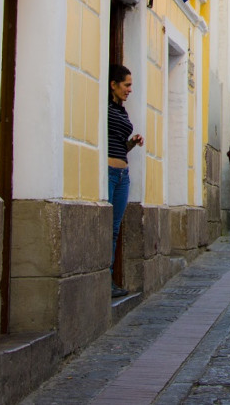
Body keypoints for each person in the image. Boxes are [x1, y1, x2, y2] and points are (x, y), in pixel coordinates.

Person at [108, 64, 144, 298]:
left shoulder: (122, 111)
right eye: (127, 85)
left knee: (113, 229)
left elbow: (121, 146)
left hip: (123, 175)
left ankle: (108, 279)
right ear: (113, 84)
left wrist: (132, 142)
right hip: (108, 172)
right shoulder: (104, 107)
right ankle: (102, 277)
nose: (130, 89)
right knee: (106, 228)